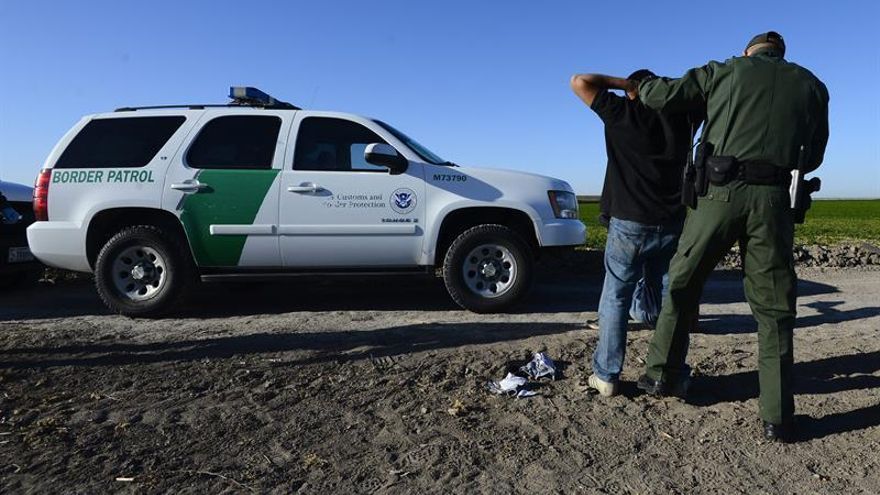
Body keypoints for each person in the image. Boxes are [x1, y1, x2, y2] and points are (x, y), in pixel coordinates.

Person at [628, 31, 829, 442]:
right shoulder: (811, 85)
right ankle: (777, 417)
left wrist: (640, 86)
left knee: (683, 282)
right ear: (782, 55)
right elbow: (817, 151)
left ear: (747, 52)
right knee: (774, 309)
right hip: (774, 202)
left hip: (718, 194)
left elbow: (662, 96)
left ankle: (661, 375)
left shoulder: (724, 70)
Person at [570, 70, 701, 397]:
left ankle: (606, 375)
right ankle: (671, 372)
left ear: (633, 91)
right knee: (672, 298)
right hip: (672, 222)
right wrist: (671, 90)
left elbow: (579, 81)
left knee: (616, 295)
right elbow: (704, 98)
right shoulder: (684, 121)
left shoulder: (621, 113)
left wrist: (627, 87)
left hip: (629, 223)